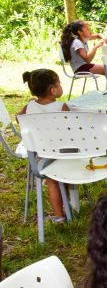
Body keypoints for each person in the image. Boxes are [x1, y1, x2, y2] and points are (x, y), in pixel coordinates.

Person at [18, 69, 68, 222]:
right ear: (53, 90)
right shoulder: (62, 107)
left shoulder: (29, 107)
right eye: (59, 83)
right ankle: (69, 203)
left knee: (52, 182)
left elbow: (19, 118)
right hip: (64, 154)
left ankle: (60, 217)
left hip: (43, 155)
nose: (60, 86)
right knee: (65, 174)